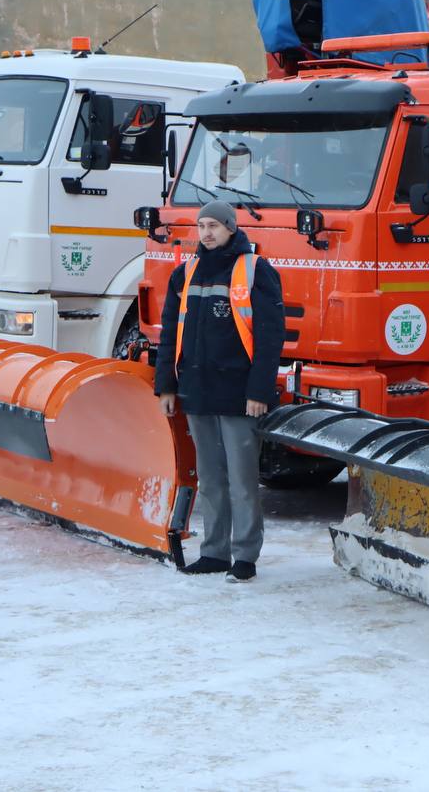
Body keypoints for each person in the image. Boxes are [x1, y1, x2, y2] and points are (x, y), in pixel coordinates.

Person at [154, 200, 285, 582]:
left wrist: (259, 391)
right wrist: (167, 387)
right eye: (202, 225)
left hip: (239, 394)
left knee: (242, 480)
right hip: (197, 391)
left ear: (230, 228)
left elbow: (270, 337)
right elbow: (169, 338)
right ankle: (214, 553)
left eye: (214, 225)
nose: (207, 232)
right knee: (210, 479)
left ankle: (245, 556)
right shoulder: (185, 274)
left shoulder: (255, 271)